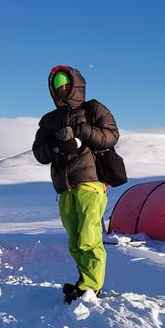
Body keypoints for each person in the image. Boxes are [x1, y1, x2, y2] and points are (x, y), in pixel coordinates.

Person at [32, 65, 120, 304]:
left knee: (88, 237)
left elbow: (111, 135)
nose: (61, 88)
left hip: (90, 183)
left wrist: (81, 132)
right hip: (65, 187)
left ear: (75, 84)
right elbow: (39, 153)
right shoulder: (49, 120)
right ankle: (85, 282)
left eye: (64, 83)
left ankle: (92, 286)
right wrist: (58, 147)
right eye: (56, 85)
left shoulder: (93, 109)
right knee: (74, 240)